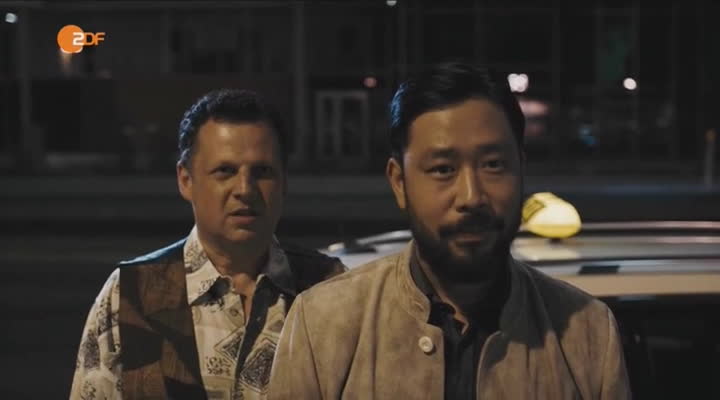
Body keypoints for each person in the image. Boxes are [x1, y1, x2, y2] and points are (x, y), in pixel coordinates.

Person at [268, 62, 631, 399]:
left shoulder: (588, 333)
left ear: (521, 169)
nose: (472, 196)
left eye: (493, 164)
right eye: (443, 169)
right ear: (399, 183)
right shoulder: (324, 324)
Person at [70, 89, 345, 399]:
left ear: (284, 183)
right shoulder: (129, 294)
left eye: (262, 172)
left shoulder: (329, 288)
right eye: (225, 171)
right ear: (185, 180)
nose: (245, 189)